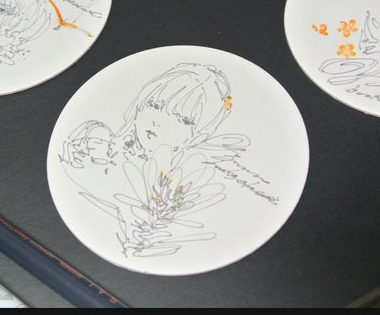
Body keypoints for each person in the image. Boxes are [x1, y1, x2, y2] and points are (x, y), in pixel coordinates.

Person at [58, 63, 250, 257]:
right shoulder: (105, 144)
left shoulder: (175, 181)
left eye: (182, 120)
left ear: (197, 136)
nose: (157, 121)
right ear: (140, 103)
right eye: (154, 105)